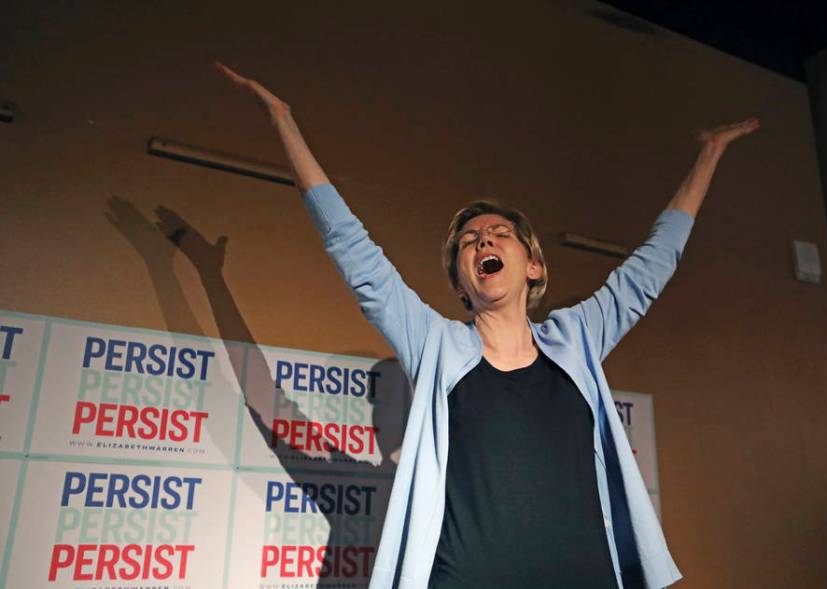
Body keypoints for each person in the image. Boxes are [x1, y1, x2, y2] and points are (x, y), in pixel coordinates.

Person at [217, 62, 758, 589]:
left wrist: (709, 153)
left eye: (500, 234)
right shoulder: (436, 345)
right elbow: (353, 251)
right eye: (470, 242)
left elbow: (652, 263)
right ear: (460, 282)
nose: (484, 242)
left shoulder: (578, 337)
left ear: (535, 266)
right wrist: (283, 119)